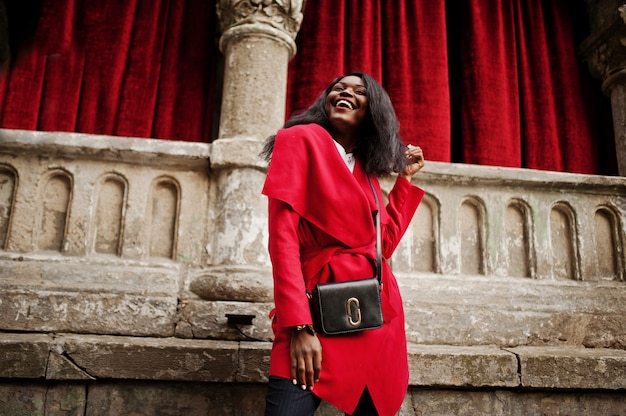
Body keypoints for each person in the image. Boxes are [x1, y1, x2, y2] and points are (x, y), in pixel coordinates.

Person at [261, 72, 426, 416]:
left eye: (359, 91)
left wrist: (404, 182)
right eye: (338, 88)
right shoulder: (298, 140)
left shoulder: (365, 170)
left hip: (373, 316)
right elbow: (282, 241)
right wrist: (299, 327)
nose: (345, 92)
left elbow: (380, 246)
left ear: (373, 110)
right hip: (312, 313)